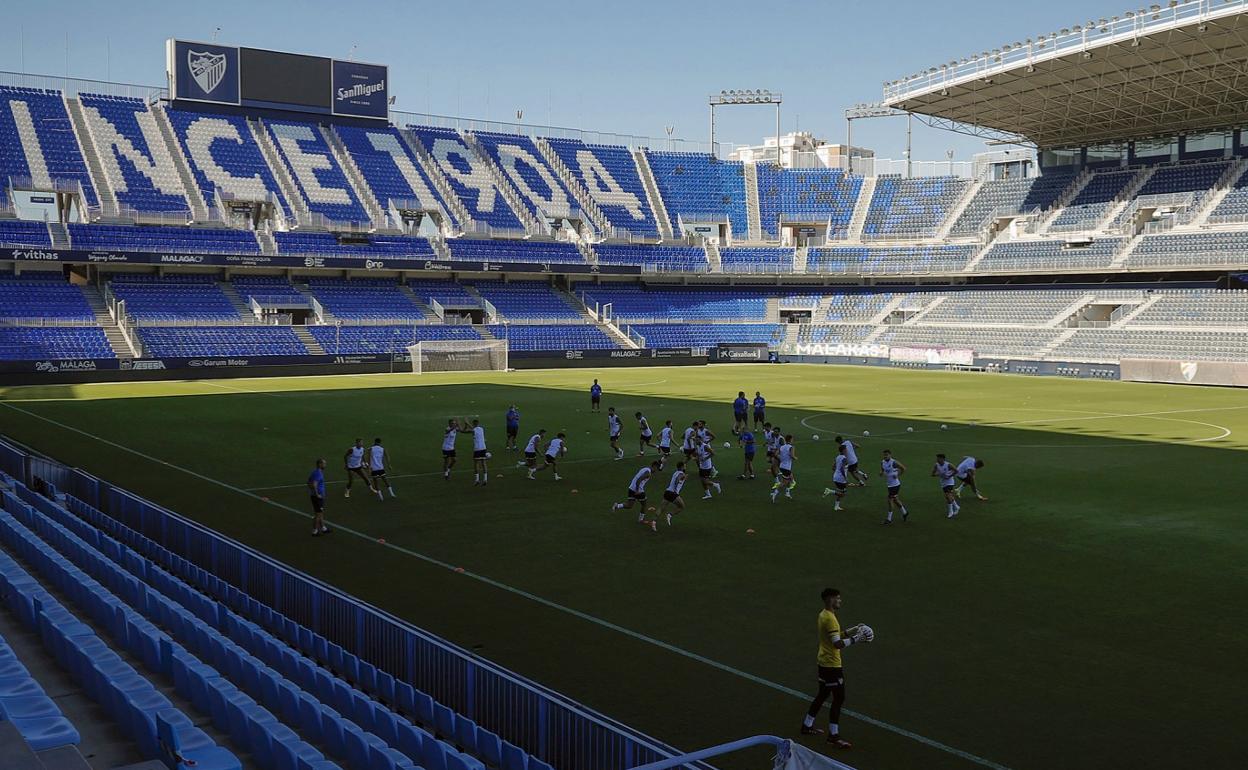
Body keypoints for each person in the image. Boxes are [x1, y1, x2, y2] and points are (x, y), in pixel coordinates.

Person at [801, 588, 871, 748]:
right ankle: (833, 736)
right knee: (839, 698)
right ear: (829, 599)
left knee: (823, 694)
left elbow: (834, 635)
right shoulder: (830, 618)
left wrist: (852, 630)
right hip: (832, 665)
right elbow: (837, 644)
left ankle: (807, 725)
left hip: (823, 662)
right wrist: (857, 638)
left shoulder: (824, 615)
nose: (840, 601)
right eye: (837, 598)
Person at [655, 462, 688, 528]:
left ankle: (653, 521)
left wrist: (683, 478)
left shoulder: (675, 473)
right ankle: (669, 515)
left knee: (661, 508)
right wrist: (676, 488)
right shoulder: (681, 474)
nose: (685, 466)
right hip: (673, 493)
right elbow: (678, 479)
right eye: (684, 466)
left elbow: (679, 479)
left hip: (667, 492)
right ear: (681, 467)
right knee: (682, 506)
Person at [880, 449, 907, 524]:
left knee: (890, 500)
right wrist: (881, 473)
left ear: (890, 455)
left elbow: (903, 468)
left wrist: (898, 475)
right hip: (889, 485)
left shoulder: (894, 462)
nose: (885, 456)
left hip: (895, 485)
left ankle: (889, 519)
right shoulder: (883, 462)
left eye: (887, 455)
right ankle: (904, 513)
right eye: (884, 455)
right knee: (895, 500)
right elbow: (882, 469)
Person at [822, 444, 850, 511]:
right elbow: (842, 469)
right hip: (841, 479)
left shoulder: (838, 457)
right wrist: (845, 478)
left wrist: (837, 471)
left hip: (835, 477)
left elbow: (833, 467)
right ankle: (829, 491)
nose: (847, 450)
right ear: (843, 450)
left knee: (840, 492)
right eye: (846, 449)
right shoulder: (844, 458)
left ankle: (836, 507)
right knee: (842, 494)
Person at [932, 453, 960, 518]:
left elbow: (956, 471)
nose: (937, 459)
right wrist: (939, 474)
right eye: (937, 458)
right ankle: (956, 507)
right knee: (947, 496)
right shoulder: (936, 465)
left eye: (939, 458)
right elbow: (932, 474)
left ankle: (951, 512)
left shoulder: (948, 465)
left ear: (943, 459)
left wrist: (949, 476)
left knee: (948, 495)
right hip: (943, 483)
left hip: (950, 482)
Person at [771, 435, 798, 502]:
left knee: (788, 479)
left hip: (782, 466)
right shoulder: (791, 447)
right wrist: (795, 458)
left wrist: (781, 458)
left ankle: (787, 492)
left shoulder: (782, 447)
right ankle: (774, 493)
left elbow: (776, 454)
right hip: (787, 467)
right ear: (790, 440)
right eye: (792, 439)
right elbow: (792, 456)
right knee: (784, 482)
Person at [307, 459, 330, 536]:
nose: (325, 465)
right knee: (318, 514)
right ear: (320, 464)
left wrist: (312, 491)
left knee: (320, 513)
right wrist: (317, 494)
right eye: (324, 463)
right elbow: (314, 484)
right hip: (317, 497)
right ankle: (315, 531)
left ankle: (323, 528)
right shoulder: (318, 473)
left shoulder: (315, 472)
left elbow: (308, 481)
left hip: (314, 496)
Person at [470, 419, 490, 486]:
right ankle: (485, 479)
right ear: (478, 423)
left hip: (477, 449)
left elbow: (472, 430)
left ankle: (477, 480)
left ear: (473, 424)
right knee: (484, 463)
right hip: (483, 448)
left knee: (476, 464)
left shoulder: (474, 430)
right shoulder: (481, 429)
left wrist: (467, 423)